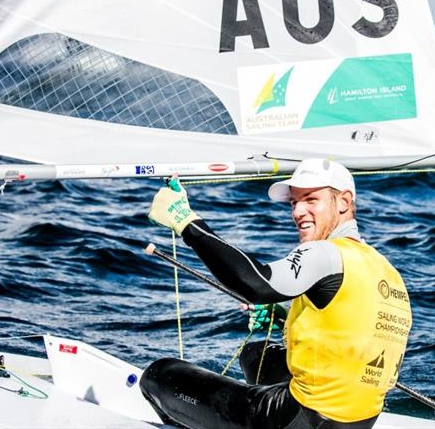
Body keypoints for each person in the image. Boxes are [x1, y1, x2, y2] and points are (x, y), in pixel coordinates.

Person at [141, 158, 412, 429]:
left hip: (302, 419)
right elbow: (352, 327)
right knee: (256, 355)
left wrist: (188, 224)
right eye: (294, 203)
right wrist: (284, 314)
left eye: (310, 200)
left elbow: (257, 284)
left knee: (160, 375)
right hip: (357, 422)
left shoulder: (325, 252)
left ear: (343, 202)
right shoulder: (386, 270)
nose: (298, 212)